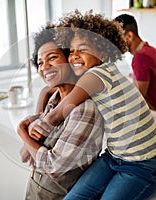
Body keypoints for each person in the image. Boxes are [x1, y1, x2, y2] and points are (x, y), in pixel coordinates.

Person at [30, 10, 156, 200]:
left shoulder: (96, 76)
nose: (75, 56)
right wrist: (45, 93)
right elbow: (54, 91)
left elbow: (63, 109)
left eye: (83, 49)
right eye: (71, 51)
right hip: (113, 157)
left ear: (102, 51)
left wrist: (36, 128)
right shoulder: (105, 72)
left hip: (143, 165)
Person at [17, 25, 103, 200]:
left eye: (52, 57)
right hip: (36, 190)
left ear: (70, 60)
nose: (45, 67)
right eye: (40, 63)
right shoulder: (55, 97)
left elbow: (52, 166)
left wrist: (22, 131)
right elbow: (27, 156)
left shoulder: (85, 109)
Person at [115, 14, 156, 114]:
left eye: (117, 38)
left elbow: (137, 100)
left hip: (155, 116)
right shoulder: (150, 50)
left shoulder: (141, 57)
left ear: (129, 36)